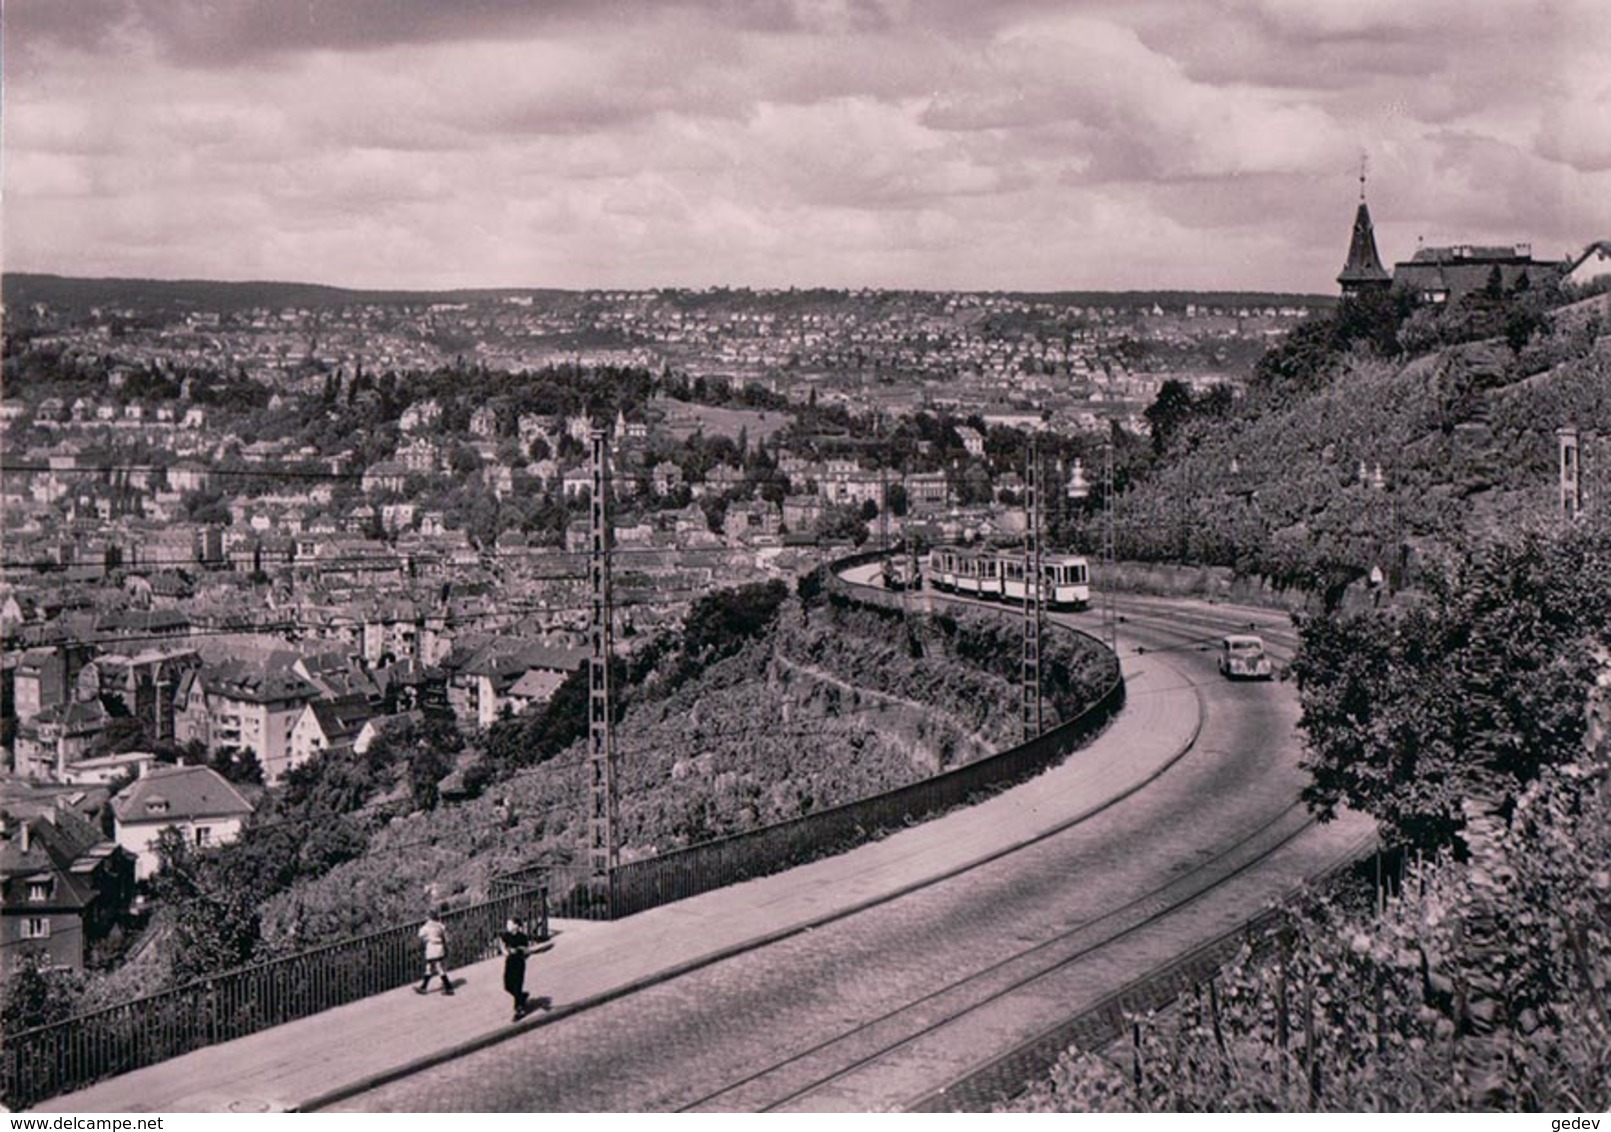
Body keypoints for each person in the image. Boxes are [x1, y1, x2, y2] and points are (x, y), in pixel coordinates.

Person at [416, 909, 453, 996]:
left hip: (432, 948)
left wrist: (426, 939)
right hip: (439, 946)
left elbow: (420, 934)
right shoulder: (440, 925)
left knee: (437, 967)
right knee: (432, 967)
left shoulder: (427, 926)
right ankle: (423, 987)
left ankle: (448, 987)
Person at [499, 917, 531, 1020]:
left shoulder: (522, 937)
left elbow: (527, 951)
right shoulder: (506, 936)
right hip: (509, 962)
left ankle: (519, 1009)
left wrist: (518, 950)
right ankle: (521, 996)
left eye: (510, 924)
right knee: (507, 985)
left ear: (516, 926)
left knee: (517, 985)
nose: (507, 926)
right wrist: (505, 951)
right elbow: (502, 945)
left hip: (519, 963)